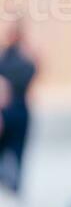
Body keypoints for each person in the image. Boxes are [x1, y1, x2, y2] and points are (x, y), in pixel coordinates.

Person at [0, 20, 38, 197]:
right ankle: (14, 187)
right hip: (19, 110)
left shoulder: (4, 59)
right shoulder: (25, 59)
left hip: (6, 111)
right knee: (18, 151)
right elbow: (35, 71)